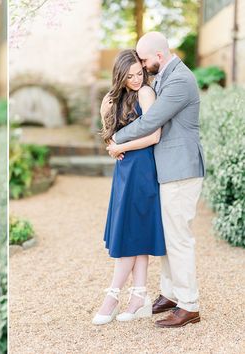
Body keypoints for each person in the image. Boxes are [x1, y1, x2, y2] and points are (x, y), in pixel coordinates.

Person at [110, 32, 205, 328]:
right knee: (169, 236)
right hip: (168, 170)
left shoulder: (180, 80)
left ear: (159, 57)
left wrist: (115, 139)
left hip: (181, 169)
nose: (142, 64)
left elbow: (152, 122)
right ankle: (170, 294)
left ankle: (189, 305)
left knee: (179, 239)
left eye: (144, 59)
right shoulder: (164, 75)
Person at [92, 49, 166, 325]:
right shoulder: (113, 99)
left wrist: (121, 146)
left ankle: (112, 296)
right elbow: (108, 137)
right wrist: (111, 137)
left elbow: (154, 135)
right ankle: (139, 296)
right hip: (124, 170)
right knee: (136, 234)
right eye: (131, 75)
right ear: (120, 75)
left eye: (140, 73)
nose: (137, 79)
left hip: (143, 168)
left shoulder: (146, 93)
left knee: (131, 234)